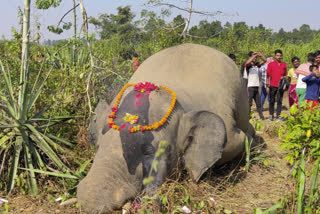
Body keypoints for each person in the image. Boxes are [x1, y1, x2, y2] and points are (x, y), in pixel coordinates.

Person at [266, 49, 287, 121]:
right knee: (271, 101)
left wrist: (284, 81)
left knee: (279, 101)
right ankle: (271, 115)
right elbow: (267, 76)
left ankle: (278, 116)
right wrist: (267, 86)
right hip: (272, 85)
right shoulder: (270, 64)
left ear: (282, 56)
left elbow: (285, 75)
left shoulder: (284, 65)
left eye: (280, 56)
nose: (279, 57)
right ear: (275, 56)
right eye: (277, 55)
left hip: (280, 86)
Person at [245, 52, 267, 119]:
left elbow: (265, 61)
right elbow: (247, 63)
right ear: (250, 57)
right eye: (253, 57)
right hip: (250, 87)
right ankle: (247, 116)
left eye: (255, 57)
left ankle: (261, 116)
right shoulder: (248, 65)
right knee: (249, 103)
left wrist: (260, 54)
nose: (255, 58)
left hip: (256, 87)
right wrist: (253, 56)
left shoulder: (257, 65)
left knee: (258, 103)